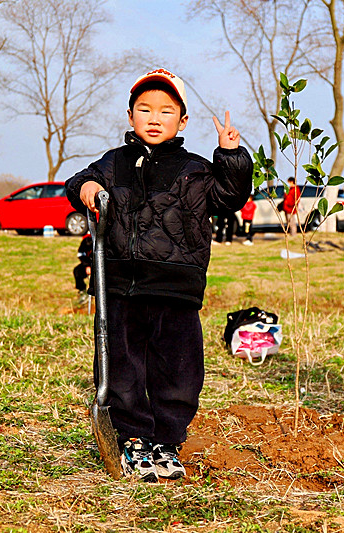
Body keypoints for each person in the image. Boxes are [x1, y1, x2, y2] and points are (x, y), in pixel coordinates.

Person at [65, 68, 252, 482]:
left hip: (175, 287)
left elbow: (230, 197)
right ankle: (133, 437)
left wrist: (231, 156)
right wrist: (89, 190)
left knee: (179, 367)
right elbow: (78, 182)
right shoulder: (114, 162)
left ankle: (167, 439)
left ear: (182, 121)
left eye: (166, 111)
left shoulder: (196, 168)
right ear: (130, 115)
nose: (154, 118)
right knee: (123, 366)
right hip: (120, 285)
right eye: (145, 109)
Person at [73, 233, 93, 305]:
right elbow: (81, 254)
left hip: (102, 266)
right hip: (89, 264)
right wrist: (87, 265)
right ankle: (83, 292)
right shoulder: (86, 240)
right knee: (77, 271)